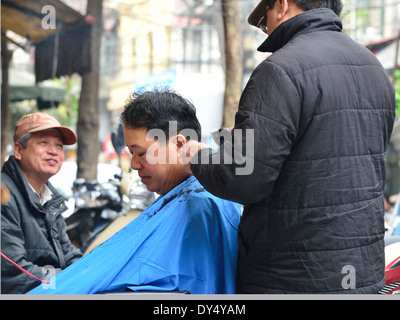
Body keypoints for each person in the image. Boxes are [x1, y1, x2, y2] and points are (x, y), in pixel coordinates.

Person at [181, 0, 396, 293]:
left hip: (295, 278)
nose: (266, 29)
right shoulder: (374, 68)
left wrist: (198, 155)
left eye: (264, 18)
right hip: (361, 274)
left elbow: (244, 178)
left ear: (281, 5)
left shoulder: (279, 70)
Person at [28, 88, 242, 294]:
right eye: (131, 153)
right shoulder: (202, 195)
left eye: (141, 153)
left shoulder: (199, 206)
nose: (134, 164)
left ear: (179, 145)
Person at [1, 112, 82, 294]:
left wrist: (90, 272)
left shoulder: (50, 199)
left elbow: (67, 253)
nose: (53, 151)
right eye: (43, 142)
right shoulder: (3, 195)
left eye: (59, 145)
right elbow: (11, 271)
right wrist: (69, 282)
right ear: (19, 150)